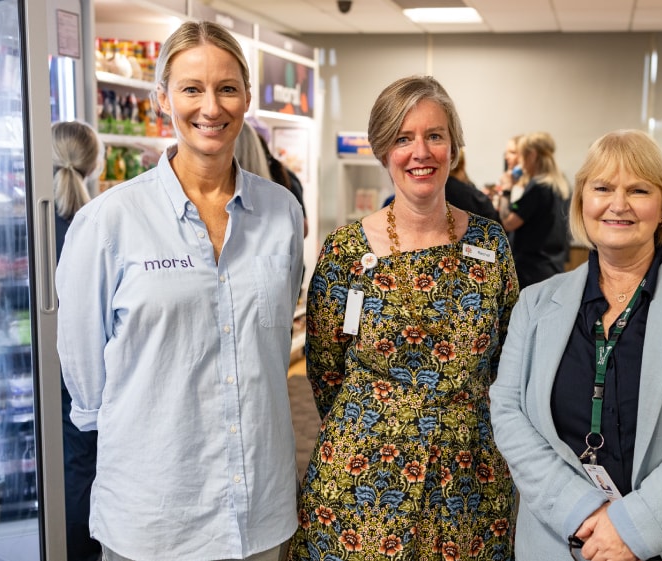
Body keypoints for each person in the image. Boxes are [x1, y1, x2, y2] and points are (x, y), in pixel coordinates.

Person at [56, 21, 304, 561]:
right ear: (163, 98)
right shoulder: (109, 223)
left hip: (258, 514)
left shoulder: (282, 213)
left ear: (244, 97)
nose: (210, 107)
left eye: (227, 88)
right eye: (192, 88)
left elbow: (271, 337)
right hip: (155, 519)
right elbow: (86, 381)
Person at [489, 129, 662, 561]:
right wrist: (583, 511)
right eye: (602, 188)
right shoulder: (536, 303)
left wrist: (635, 526)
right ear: (583, 201)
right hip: (566, 538)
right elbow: (508, 412)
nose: (618, 204)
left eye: (638, 189)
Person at [287, 75, 520, 561]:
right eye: (403, 138)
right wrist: (387, 422)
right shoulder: (346, 252)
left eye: (435, 135)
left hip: (469, 486)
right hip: (362, 486)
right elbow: (326, 372)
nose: (421, 152)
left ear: (453, 147)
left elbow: (508, 360)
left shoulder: (491, 245)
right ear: (382, 149)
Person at [52, 120, 103, 561]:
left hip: (43, 369)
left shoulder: (34, 221)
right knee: (80, 460)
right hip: (83, 370)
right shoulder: (92, 222)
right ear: (94, 161)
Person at [501, 131, 571, 289]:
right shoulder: (560, 185)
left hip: (532, 271)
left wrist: (506, 190)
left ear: (532, 155)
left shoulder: (538, 188)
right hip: (552, 267)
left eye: (521, 155)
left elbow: (508, 222)